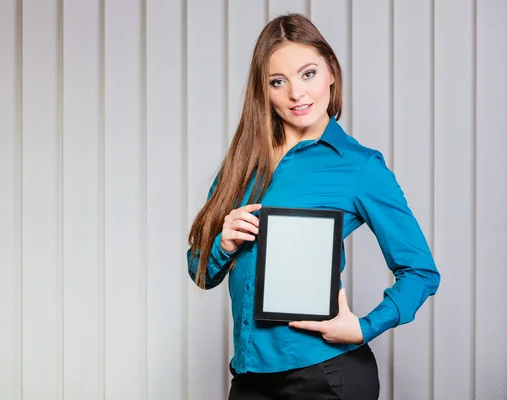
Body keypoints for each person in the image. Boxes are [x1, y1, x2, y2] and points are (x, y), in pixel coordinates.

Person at [186, 13, 440, 400]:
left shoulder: (359, 166)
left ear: (331, 72)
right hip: (249, 376)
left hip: (326, 375)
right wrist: (223, 244)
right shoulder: (241, 164)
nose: (296, 94)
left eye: (308, 74)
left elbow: (420, 271)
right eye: (278, 82)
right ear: (264, 90)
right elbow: (199, 272)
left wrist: (364, 327)